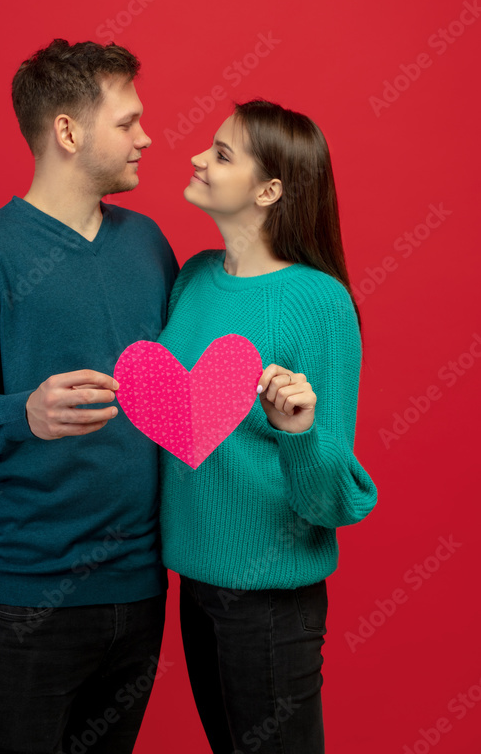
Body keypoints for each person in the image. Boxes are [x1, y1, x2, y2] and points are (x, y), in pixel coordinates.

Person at [0, 38, 179, 754]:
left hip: (140, 595)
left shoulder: (148, 244)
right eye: (127, 122)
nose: (146, 137)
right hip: (23, 607)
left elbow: (176, 401)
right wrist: (20, 413)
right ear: (66, 131)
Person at [156, 98, 378, 754]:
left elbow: (331, 501)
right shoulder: (192, 279)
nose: (197, 157)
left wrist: (298, 431)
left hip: (270, 604)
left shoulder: (317, 303)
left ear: (269, 189)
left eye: (221, 154)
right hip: (192, 586)